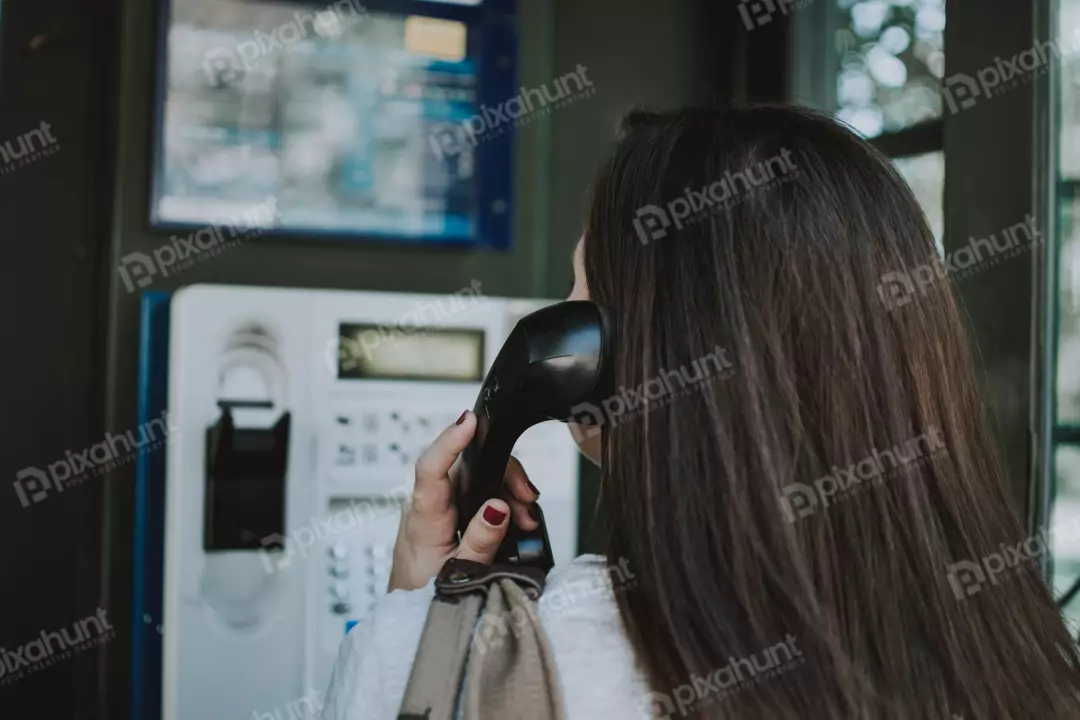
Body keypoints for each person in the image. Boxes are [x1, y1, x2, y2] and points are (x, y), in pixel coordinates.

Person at [320, 105, 1080, 719]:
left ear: (598, 358)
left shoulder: (447, 659)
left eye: (580, 290)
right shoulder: (1019, 653)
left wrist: (426, 618)